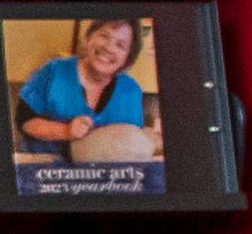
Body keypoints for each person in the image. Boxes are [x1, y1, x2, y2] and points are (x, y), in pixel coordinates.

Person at [15, 16, 155, 163]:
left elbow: (131, 141)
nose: (108, 47)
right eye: (104, 36)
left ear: (127, 59)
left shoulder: (131, 90)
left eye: (120, 45)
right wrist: (66, 131)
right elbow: (23, 121)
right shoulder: (53, 71)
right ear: (88, 38)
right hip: (42, 168)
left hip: (102, 177)